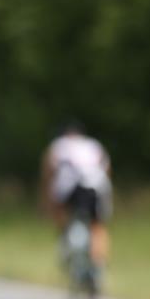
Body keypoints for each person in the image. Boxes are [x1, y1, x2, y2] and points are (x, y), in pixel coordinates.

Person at [40, 120, 112, 282]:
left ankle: (64, 239)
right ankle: (99, 267)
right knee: (98, 226)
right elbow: (107, 169)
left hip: (71, 188)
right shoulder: (94, 145)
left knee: (58, 209)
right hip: (97, 187)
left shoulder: (59, 145)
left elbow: (48, 171)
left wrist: (46, 200)